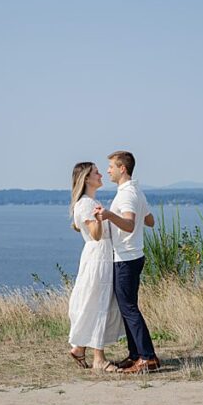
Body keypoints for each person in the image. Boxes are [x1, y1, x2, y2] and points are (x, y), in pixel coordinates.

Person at [96, 150, 160, 374]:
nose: (108, 171)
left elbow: (130, 224)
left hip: (126, 258)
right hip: (133, 255)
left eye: (111, 167)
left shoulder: (126, 194)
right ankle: (136, 356)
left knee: (129, 309)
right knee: (127, 308)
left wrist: (109, 215)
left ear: (122, 168)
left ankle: (147, 358)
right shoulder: (135, 192)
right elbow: (150, 221)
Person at [67, 162, 126, 372]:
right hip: (98, 257)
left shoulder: (91, 202)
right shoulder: (85, 205)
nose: (101, 174)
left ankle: (79, 348)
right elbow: (96, 234)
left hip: (100, 255)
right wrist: (100, 218)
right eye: (96, 172)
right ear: (86, 179)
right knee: (99, 303)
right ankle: (98, 359)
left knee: (95, 301)